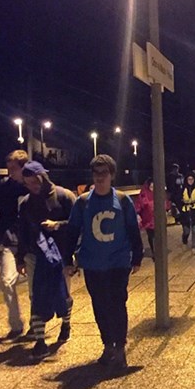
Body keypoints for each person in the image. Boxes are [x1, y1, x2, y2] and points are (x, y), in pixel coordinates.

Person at [68, 155, 143, 367]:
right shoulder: (83, 202)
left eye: (104, 173)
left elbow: (132, 230)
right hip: (92, 264)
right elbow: (73, 230)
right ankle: (107, 344)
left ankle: (119, 346)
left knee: (118, 304)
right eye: (96, 173)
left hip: (118, 263)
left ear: (111, 175)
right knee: (99, 306)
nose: (100, 178)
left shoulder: (122, 200)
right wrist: (68, 259)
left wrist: (137, 256)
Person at [16, 161, 77, 359]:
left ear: (43, 177)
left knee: (63, 294)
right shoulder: (26, 203)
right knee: (36, 296)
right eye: (28, 183)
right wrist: (20, 258)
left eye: (35, 181)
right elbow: (22, 231)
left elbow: (77, 225)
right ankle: (40, 342)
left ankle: (66, 324)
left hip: (61, 254)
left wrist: (57, 225)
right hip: (35, 255)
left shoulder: (64, 196)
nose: (32, 186)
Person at [0, 150, 30, 338]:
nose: (10, 172)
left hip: (31, 242)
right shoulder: (4, 187)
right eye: (9, 168)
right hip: (11, 239)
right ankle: (16, 324)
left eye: (14, 169)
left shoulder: (33, 185)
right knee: (6, 281)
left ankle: (38, 322)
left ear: (24, 168)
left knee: (35, 286)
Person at [179, 172, 195, 255]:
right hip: (185, 212)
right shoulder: (182, 189)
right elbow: (178, 199)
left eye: (192, 179)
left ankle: (194, 247)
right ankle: (184, 241)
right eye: (189, 179)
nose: (190, 181)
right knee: (186, 231)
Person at [136, 178, 156, 258]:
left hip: (158, 219)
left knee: (158, 236)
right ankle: (154, 252)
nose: (153, 189)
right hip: (148, 220)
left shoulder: (158, 193)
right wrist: (138, 213)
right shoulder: (144, 194)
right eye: (151, 187)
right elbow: (139, 205)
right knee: (152, 236)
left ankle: (157, 251)